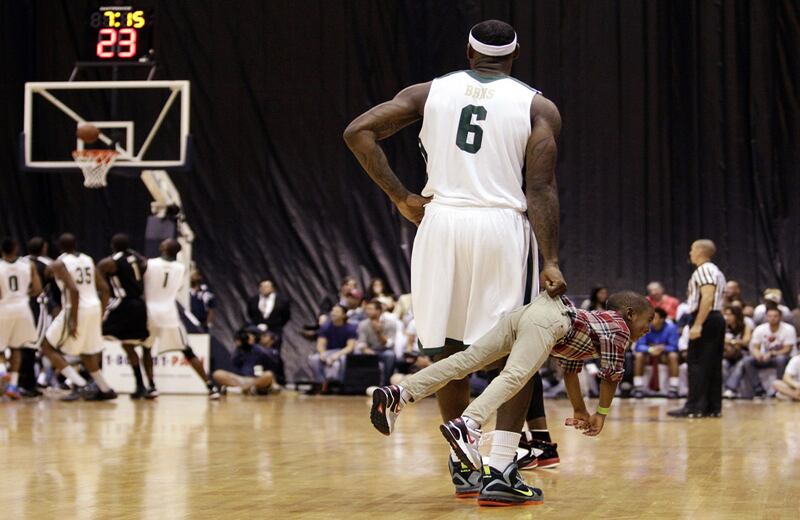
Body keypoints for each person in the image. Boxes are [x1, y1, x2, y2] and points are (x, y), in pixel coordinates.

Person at [344, 19, 566, 500]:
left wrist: (400, 196)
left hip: (439, 221)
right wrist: (550, 258)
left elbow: (358, 132)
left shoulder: (427, 93)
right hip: (501, 224)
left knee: (447, 347)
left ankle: (462, 467)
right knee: (515, 350)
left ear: (468, 52)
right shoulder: (537, 106)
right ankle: (501, 470)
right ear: (514, 56)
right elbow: (541, 188)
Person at [370, 292, 653, 506]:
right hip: (551, 319)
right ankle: (468, 424)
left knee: (467, 360)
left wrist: (580, 409)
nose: (649, 328)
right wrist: (600, 414)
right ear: (629, 313)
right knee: (515, 375)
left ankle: (400, 393)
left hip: (530, 312)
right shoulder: (619, 328)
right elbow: (611, 376)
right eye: (648, 320)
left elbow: (570, 372)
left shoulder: (596, 327)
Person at [39, 233, 117, 401]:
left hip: (75, 308)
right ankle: (105, 388)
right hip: (94, 307)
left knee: (46, 346)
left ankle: (80, 384)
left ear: (58, 246)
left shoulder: (59, 263)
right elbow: (104, 288)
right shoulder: (87, 259)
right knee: (86, 352)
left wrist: (73, 319)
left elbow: (73, 290)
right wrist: (101, 313)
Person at [143, 239, 221, 399]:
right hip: (169, 314)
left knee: (146, 349)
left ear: (163, 248)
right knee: (187, 351)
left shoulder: (149, 263)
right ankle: (210, 386)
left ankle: (151, 387)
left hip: (151, 312)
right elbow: (178, 287)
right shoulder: (181, 268)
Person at [668, 239, 726, 418]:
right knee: (712, 364)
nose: (690, 253)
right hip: (715, 318)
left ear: (701, 251)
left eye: (692, 249)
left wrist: (698, 324)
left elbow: (707, 297)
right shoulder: (716, 270)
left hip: (706, 318)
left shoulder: (704, 270)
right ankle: (712, 406)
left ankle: (695, 406)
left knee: (697, 363)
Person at [97, 234, 152, 399]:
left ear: (112, 245)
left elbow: (100, 281)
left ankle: (94, 381)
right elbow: (144, 263)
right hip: (139, 305)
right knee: (128, 346)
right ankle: (141, 386)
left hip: (123, 304)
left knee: (93, 336)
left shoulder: (109, 262)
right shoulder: (136, 258)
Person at [0, 238, 43, 399]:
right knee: (17, 347)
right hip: (23, 308)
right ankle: (13, 386)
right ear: (16, 248)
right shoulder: (28, 265)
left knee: (1, 348)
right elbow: (38, 289)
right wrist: (23, 295)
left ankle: (3, 371)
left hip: (4, 308)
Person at [742, 306, 796, 398]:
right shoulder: (760, 329)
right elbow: (755, 347)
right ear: (766, 317)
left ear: (780, 317)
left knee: (780, 359)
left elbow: (787, 349)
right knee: (747, 361)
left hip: (783, 357)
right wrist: (757, 354)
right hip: (764, 357)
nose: (772, 318)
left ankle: (779, 389)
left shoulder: (788, 329)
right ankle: (759, 390)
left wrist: (771, 354)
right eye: (770, 316)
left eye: (775, 316)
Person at [212, 328, 279, 395]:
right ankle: (247, 389)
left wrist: (254, 346)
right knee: (217, 373)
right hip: (241, 379)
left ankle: (242, 389)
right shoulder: (239, 350)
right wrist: (239, 347)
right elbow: (234, 362)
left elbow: (271, 361)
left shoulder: (259, 349)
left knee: (268, 375)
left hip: (255, 379)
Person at [633, 307, 681, 398]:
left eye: (654, 317)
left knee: (673, 356)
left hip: (664, 355)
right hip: (649, 355)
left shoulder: (671, 328)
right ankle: (638, 388)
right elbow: (639, 346)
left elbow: (674, 347)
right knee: (639, 356)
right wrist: (651, 349)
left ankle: (673, 389)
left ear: (662, 319)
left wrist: (662, 348)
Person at [308, 304, 357, 390]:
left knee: (339, 362)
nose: (333, 313)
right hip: (329, 351)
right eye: (333, 311)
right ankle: (320, 383)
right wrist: (322, 353)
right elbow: (320, 344)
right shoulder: (325, 327)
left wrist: (337, 355)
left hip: (343, 352)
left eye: (337, 312)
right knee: (314, 359)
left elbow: (350, 347)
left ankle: (338, 384)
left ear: (344, 315)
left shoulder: (350, 328)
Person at [356, 300, 398, 385]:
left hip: (384, 350)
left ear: (379, 311)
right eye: (367, 309)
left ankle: (385, 384)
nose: (367, 311)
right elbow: (361, 342)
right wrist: (365, 349)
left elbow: (388, 344)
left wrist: (379, 333)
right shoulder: (363, 324)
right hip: (370, 350)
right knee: (356, 353)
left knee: (390, 355)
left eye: (370, 309)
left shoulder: (391, 323)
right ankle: (358, 385)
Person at [721, 305, 753, 398]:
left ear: (736, 315)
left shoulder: (745, 326)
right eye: (726, 314)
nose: (727, 317)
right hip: (727, 354)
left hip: (743, 353)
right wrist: (735, 343)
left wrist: (731, 342)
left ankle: (730, 389)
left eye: (730, 314)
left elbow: (746, 342)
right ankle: (726, 390)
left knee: (740, 364)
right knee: (723, 364)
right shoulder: (724, 327)